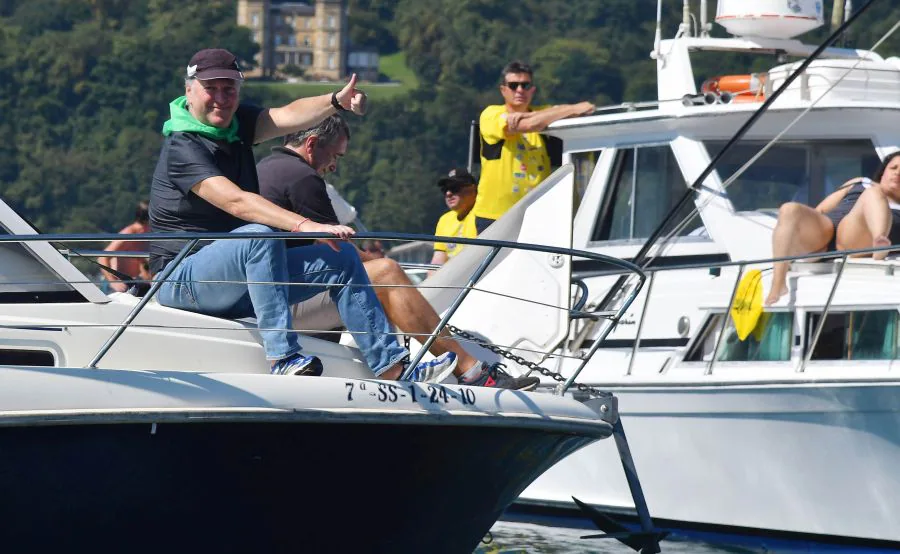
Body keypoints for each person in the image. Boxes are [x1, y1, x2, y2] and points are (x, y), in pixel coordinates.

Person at [149, 48, 455, 382]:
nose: (221, 98)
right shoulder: (183, 147)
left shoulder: (234, 126)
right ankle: (282, 356)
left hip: (232, 280)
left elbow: (288, 115)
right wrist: (305, 225)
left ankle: (392, 367)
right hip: (180, 280)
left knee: (341, 258)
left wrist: (336, 101)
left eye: (230, 89)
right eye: (212, 88)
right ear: (189, 91)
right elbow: (237, 202)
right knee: (259, 235)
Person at [256, 115, 540, 390]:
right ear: (312, 144)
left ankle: (398, 359)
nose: (333, 166)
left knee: (377, 272)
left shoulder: (266, 168)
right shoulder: (302, 178)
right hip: (280, 302)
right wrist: (380, 263)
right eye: (336, 156)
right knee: (386, 273)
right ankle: (471, 372)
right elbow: (335, 248)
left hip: (265, 296)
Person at [473, 60, 596, 233]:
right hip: (495, 216)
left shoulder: (542, 112)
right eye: (513, 85)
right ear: (503, 90)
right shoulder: (491, 114)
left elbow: (585, 111)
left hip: (535, 215)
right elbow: (528, 125)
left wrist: (539, 115)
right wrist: (561, 111)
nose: (520, 90)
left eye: (525, 85)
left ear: (533, 89)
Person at [766, 151, 900, 305]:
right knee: (789, 209)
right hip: (824, 234)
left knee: (873, 194)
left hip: (855, 239)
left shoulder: (874, 192)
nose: (897, 173)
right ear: (883, 172)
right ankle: (778, 284)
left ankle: (880, 241)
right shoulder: (860, 182)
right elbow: (820, 210)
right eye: (893, 168)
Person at [98, 201, 152, 293]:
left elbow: (141, 263)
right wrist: (113, 282)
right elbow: (102, 258)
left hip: (132, 282)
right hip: (116, 284)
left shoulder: (145, 235)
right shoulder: (129, 234)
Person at [430, 167, 478, 266]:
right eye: (445, 190)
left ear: (473, 189)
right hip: (451, 277)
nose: (448, 193)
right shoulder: (444, 220)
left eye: (455, 188)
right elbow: (437, 261)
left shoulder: (483, 215)